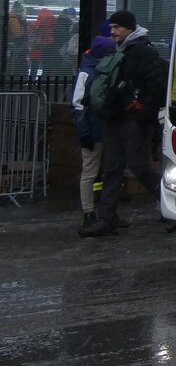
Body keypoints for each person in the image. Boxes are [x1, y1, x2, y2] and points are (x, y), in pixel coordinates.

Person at [79, 10, 167, 238]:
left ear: (129, 27)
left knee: (138, 166)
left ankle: (173, 203)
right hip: (117, 117)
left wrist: (141, 113)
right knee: (113, 167)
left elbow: (155, 85)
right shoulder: (123, 49)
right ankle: (107, 219)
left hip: (131, 119)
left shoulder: (142, 51)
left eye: (117, 27)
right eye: (111, 28)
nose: (113, 32)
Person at [71, 33, 115, 230]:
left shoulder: (88, 71)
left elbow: (78, 106)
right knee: (91, 173)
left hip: (97, 130)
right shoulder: (91, 72)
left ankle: (92, 212)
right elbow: (78, 106)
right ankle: (89, 212)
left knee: (91, 172)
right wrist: (85, 134)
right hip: (97, 130)